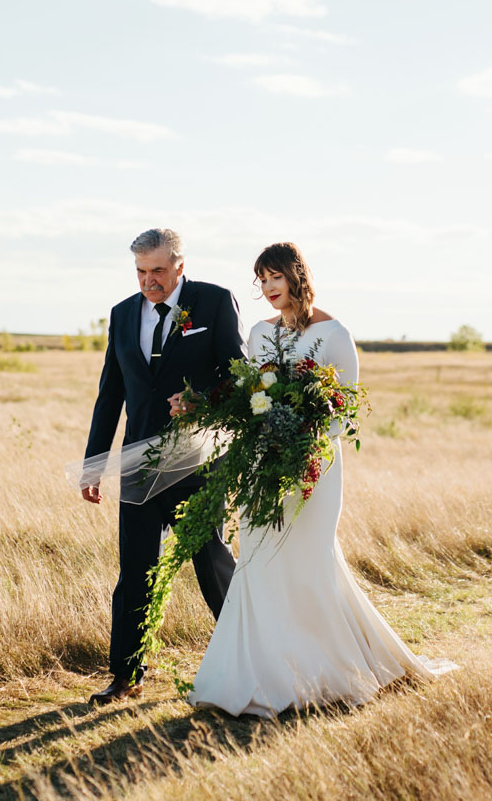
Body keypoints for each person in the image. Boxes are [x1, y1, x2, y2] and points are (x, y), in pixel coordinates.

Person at [179, 242, 456, 717]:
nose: (267, 289)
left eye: (275, 278)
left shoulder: (334, 333)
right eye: (261, 280)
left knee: (308, 562)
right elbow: (249, 394)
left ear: (296, 276)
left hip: (312, 468)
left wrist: (302, 443)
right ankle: (261, 674)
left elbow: (345, 410)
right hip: (260, 466)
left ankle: (325, 670)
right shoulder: (259, 334)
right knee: (261, 564)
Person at [81, 228, 243, 704]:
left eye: (157, 271)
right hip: (138, 464)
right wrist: (95, 464)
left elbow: (239, 373)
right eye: (140, 272)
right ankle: (126, 676)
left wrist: (202, 400)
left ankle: (244, 658)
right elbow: (111, 393)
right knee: (134, 571)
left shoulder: (214, 303)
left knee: (211, 561)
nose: (148, 281)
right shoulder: (123, 314)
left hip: (197, 460)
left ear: (179, 266)